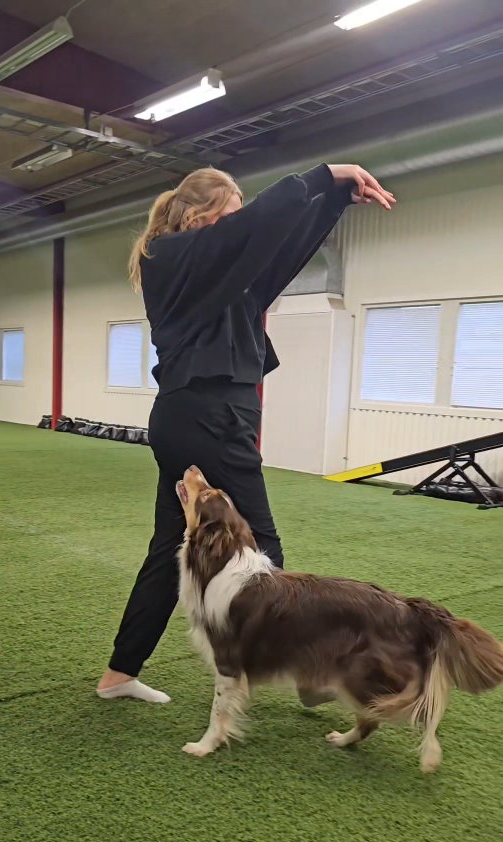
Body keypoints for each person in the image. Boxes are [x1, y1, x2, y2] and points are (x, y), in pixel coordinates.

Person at [97, 162, 395, 703]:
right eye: (228, 216)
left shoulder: (221, 274)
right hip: (209, 416)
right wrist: (323, 175)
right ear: (197, 217)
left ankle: (119, 674)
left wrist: (332, 202)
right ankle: (304, 672)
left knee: (172, 546)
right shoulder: (171, 257)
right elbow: (255, 227)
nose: (238, 226)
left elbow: (278, 251)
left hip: (197, 414)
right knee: (262, 545)